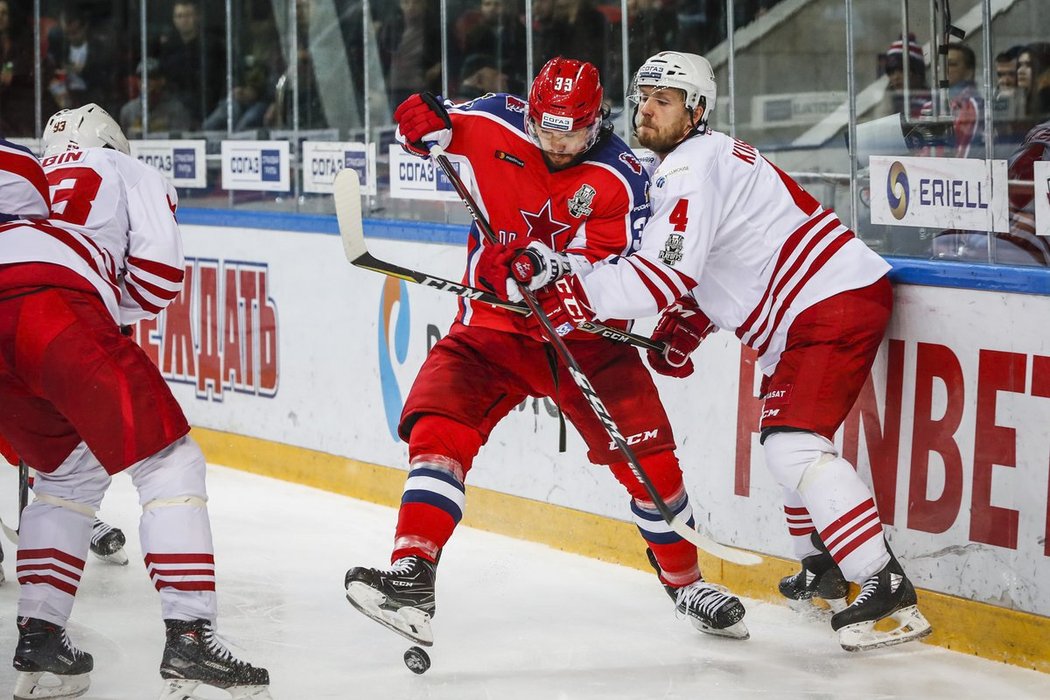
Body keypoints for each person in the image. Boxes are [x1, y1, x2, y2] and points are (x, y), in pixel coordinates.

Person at [483, 51, 933, 652]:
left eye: (664, 100)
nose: (647, 108)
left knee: (793, 443)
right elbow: (715, 259)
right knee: (782, 439)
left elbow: (663, 275)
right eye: (643, 97)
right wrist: (687, 323)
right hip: (803, 310)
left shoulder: (688, 169)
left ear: (696, 110)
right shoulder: (696, 159)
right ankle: (822, 567)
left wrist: (575, 296)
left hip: (828, 301)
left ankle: (883, 583)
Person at [343, 57, 749, 649]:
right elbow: (435, 126)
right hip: (492, 330)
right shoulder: (493, 122)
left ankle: (685, 583)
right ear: (528, 113)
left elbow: (621, 270)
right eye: (545, 128)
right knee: (437, 428)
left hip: (583, 341)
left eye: (573, 132)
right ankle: (412, 574)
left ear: (598, 122)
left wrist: (547, 270)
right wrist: (419, 123)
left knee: (652, 463)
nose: (557, 143)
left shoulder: (625, 178)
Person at [0, 104, 270, 699]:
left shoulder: (30, 181)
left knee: (66, 478)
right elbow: (155, 277)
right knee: (170, 463)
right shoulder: (127, 171)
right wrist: (101, 304)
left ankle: (40, 636)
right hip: (53, 308)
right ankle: (191, 638)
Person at [157, 0, 224, 128]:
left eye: (188, 15)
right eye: (179, 16)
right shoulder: (169, 47)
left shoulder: (211, 45)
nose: (184, 20)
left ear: (197, 17)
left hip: (209, 107)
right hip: (178, 109)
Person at [920, 42, 983, 158]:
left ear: (969, 72)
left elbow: (967, 156)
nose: (943, 69)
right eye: (941, 64)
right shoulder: (929, 106)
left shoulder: (973, 106)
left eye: (952, 64)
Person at [119, 58, 194, 138]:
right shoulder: (128, 111)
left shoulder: (176, 109)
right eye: (141, 78)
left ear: (162, 80)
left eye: (151, 77)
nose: (145, 82)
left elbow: (182, 141)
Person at [872, 33, 929, 120]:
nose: (895, 77)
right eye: (891, 73)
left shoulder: (932, 102)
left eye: (901, 71)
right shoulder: (890, 101)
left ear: (918, 72)